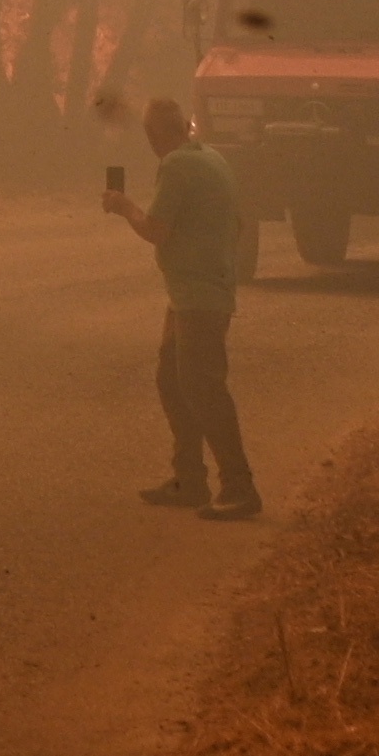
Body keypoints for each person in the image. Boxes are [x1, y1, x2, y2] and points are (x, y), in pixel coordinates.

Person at [105, 91, 261, 518]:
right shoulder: (214, 159)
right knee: (172, 379)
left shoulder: (174, 165)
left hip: (197, 296)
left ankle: (239, 486)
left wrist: (123, 207)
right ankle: (189, 479)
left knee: (202, 387)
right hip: (202, 291)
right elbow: (239, 222)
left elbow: (156, 229)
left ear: (154, 135)